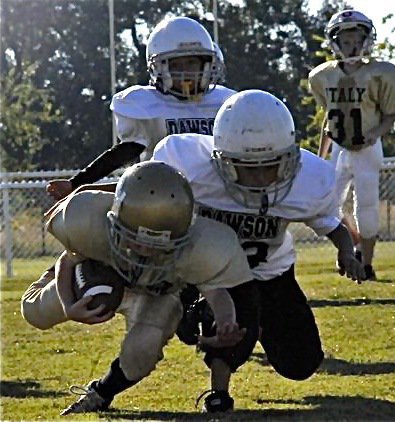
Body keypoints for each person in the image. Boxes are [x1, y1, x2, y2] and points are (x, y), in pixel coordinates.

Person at [150, 89, 365, 412]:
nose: (261, 178)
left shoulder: (307, 181)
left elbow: (330, 224)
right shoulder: (190, 166)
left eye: (271, 166)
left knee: (301, 364)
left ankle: (260, 324)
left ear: (289, 158)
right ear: (220, 158)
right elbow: (147, 193)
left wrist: (346, 251)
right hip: (216, 275)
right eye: (248, 167)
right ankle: (219, 392)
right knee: (225, 325)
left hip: (272, 273)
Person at [37, 16, 235, 339]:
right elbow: (124, 152)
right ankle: (75, 282)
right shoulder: (145, 105)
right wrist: (76, 183)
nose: (187, 74)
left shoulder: (225, 103)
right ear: (158, 67)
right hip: (156, 207)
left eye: (194, 64)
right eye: (178, 64)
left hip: (213, 200)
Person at [21, 161, 253, 415]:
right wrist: (69, 305)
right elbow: (68, 260)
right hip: (104, 279)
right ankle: (48, 280)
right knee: (34, 313)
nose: (146, 251)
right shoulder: (91, 225)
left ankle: (100, 392)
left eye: (159, 244)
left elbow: (216, 292)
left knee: (141, 352)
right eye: (137, 241)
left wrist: (226, 323)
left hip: (157, 296)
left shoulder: (199, 247)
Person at [308, 9, 395, 280]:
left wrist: (374, 134)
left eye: (356, 39)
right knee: (326, 204)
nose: (351, 46)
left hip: (367, 147)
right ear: (335, 43)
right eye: (346, 40)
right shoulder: (323, 76)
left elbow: (389, 116)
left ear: (366, 40)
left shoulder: (379, 74)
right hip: (339, 147)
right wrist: (321, 155)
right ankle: (354, 246)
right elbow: (330, 118)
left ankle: (368, 264)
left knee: (368, 208)